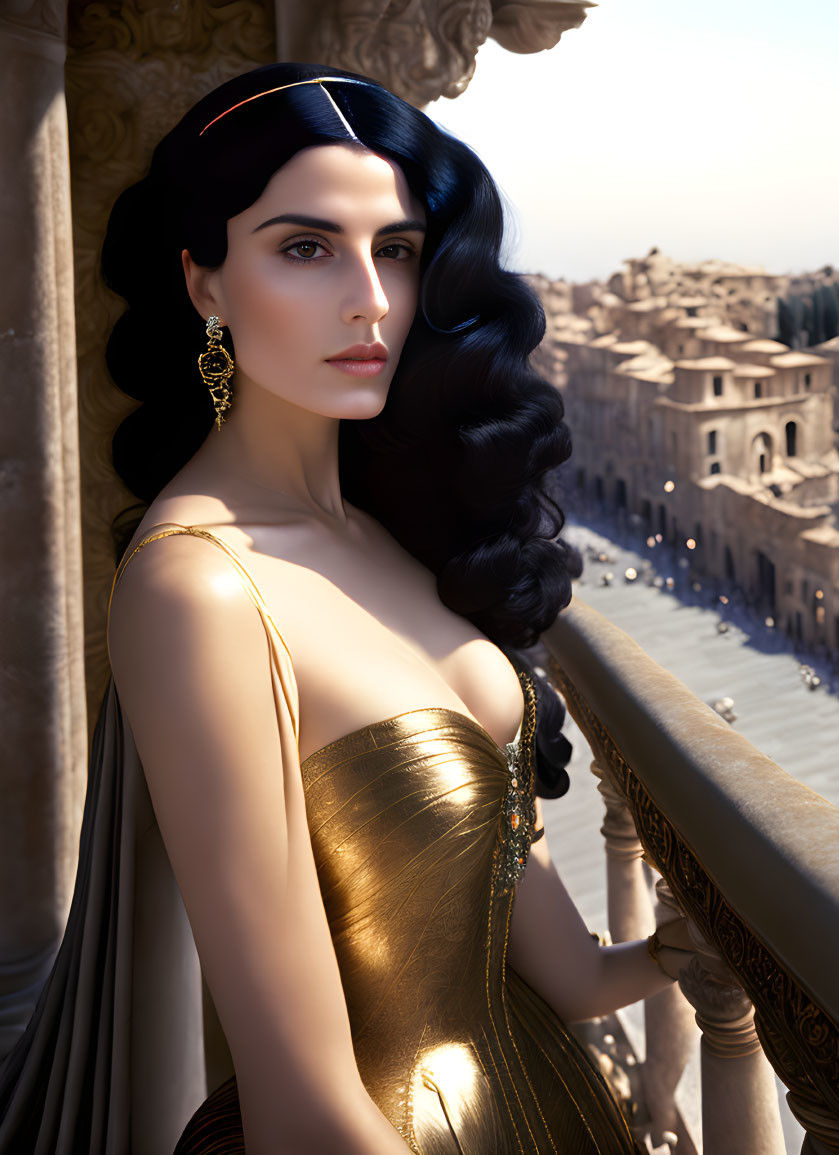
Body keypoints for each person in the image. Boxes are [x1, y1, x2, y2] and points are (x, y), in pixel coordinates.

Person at [0, 62, 692, 1154]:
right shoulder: (199, 588)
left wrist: (674, 956)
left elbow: (562, 971)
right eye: (305, 248)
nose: (369, 296)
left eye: (398, 251)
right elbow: (301, 1106)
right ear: (206, 285)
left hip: (550, 1109)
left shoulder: (387, 528)